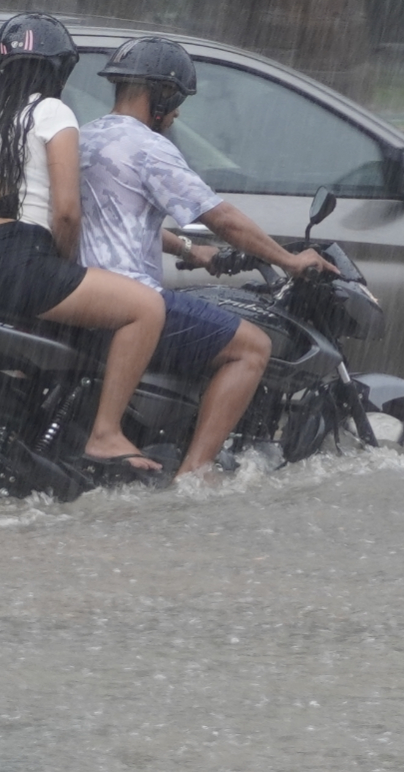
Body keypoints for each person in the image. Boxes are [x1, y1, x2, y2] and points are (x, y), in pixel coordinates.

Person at [78, 36, 337, 478]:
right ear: (160, 94)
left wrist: (187, 249)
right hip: (131, 300)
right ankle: (196, 473)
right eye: (177, 99)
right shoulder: (149, 147)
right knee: (252, 347)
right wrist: (288, 260)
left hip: (83, 293)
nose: (178, 112)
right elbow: (223, 218)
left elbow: (117, 217)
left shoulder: (86, 138)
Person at [0, 13, 166, 474]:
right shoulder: (52, 113)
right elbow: (65, 211)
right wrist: (63, 260)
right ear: (59, 68)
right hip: (20, 259)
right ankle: (105, 434)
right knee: (146, 309)